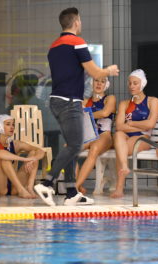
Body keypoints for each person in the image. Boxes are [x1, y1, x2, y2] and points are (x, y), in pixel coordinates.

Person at [34, 7, 119, 206]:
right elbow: (95, 72)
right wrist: (109, 70)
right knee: (74, 145)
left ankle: (71, 192)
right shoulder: (77, 42)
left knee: (71, 145)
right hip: (69, 102)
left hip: (56, 101)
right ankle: (47, 182)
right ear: (76, 22)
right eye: (80, 21)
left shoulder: (54, 46)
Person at [111, 69, 158, 198]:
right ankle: (125, 167)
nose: (131, 86)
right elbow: (119, 126)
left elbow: (150, 125)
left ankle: (119, 188)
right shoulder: (124, 104)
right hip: (127, 136)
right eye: (130, 83)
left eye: (135, 83)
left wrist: (131, 123)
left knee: (121, 148)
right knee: (118, 136)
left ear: (142, 84)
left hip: (144, 138)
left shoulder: (152, 101)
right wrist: (139, 125)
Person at [0, 114, 45, 198]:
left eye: (13, 124)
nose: (12, 127)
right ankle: (21, 190)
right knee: (4, 160)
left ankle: (29, 187)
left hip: (14, 187)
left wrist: (33, 158)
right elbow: (1, 154)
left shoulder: (16, 144)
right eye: (8, 124)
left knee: (33, 153)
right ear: (0, 127)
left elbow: (40, 150)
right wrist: (24, 159)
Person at [76, 77, 116, 193]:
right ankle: (77, 185)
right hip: (88, 135)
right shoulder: (85, 101)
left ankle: (75, 187)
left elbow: (105, 113)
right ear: (91, 83)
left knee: (94, 149)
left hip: (104, 135)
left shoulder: (110, 98)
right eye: (96, 81)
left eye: (102, 81)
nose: (99, 83)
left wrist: (85, 114)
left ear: (106, 85)